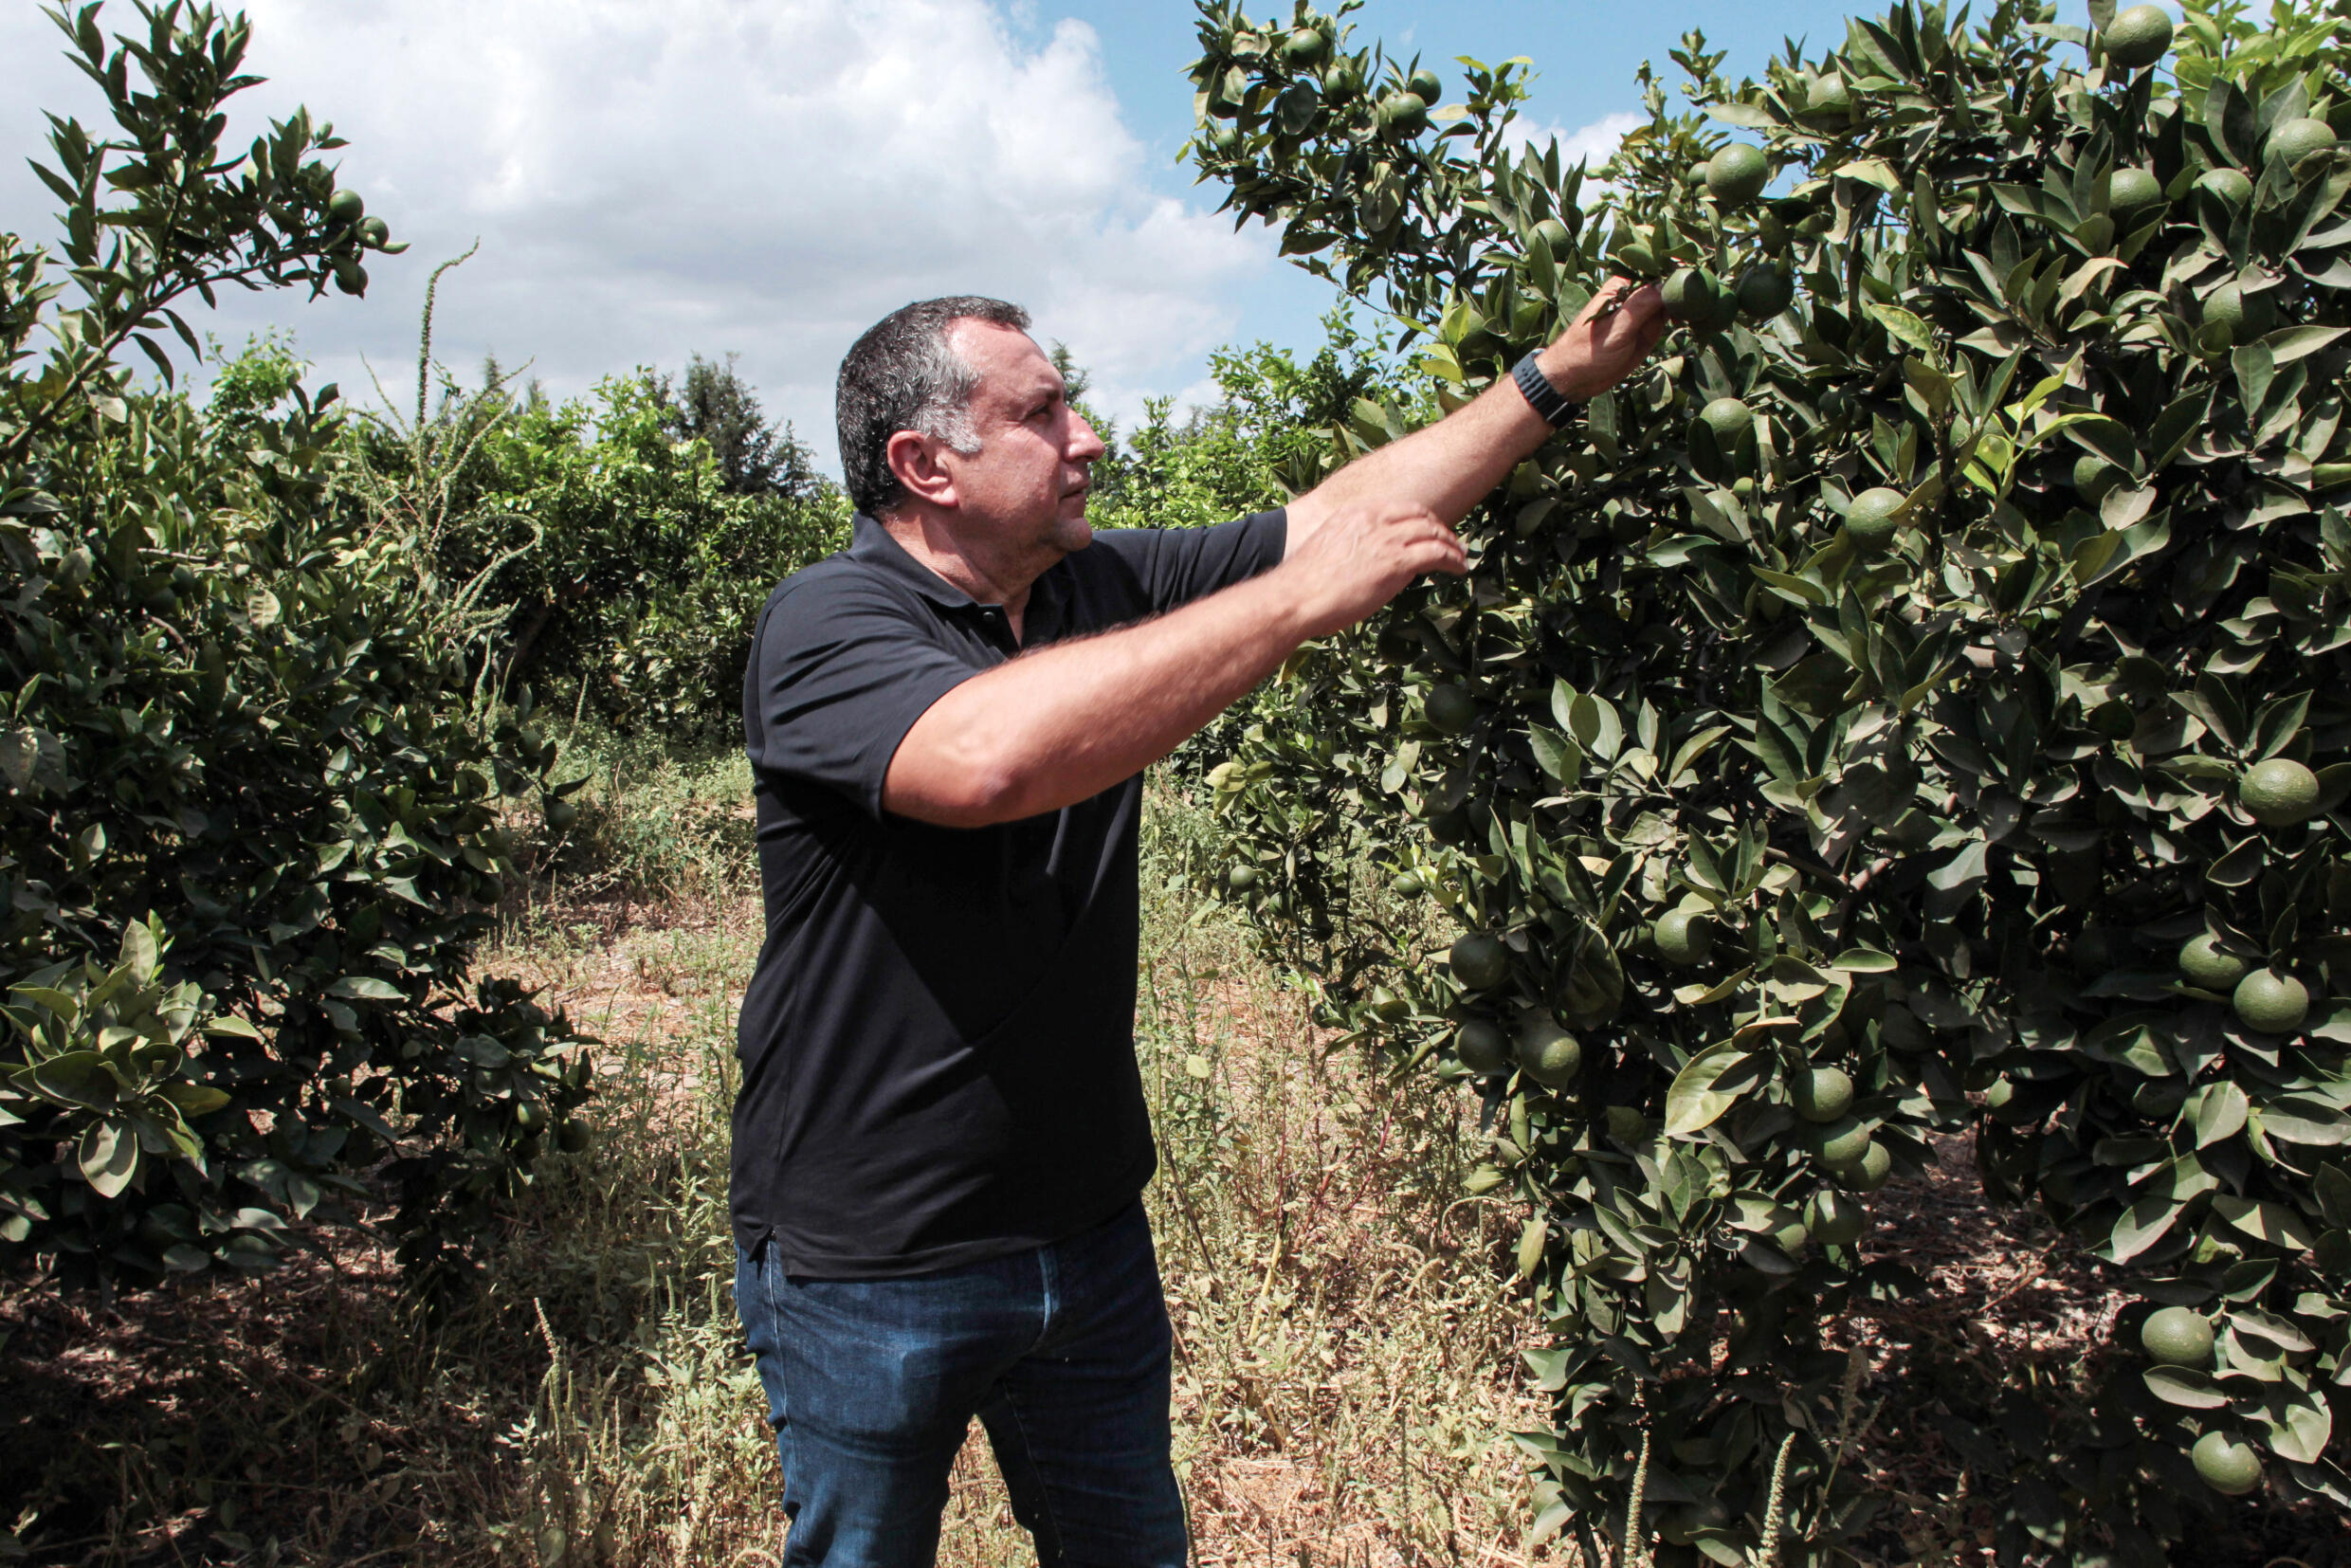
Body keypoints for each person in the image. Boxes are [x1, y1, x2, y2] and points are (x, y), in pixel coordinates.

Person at [732, 282, 1666, 1566]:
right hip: (877, 1257)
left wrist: (1554, 379)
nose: (1088, 439)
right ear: (924, 465)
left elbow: (1343, 518)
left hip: (1088, 1227)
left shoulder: (1092, 584)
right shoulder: (828, 624)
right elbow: (989, 758)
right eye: (1043, 413)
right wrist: (1291, 607)